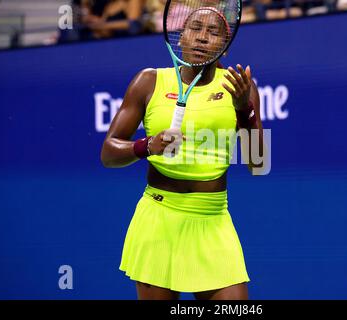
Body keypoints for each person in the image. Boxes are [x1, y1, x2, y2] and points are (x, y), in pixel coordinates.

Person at [101, 7, 264, 300]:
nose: (202, 38)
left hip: (213, 219)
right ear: (180, 38)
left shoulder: (240, 88)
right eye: (194, 29)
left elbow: (258, 163)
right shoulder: (148, 82)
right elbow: (109, 153)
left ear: (224, 47)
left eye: (213, 32)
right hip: (158, 218)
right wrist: (147, 145)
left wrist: (245, 110)